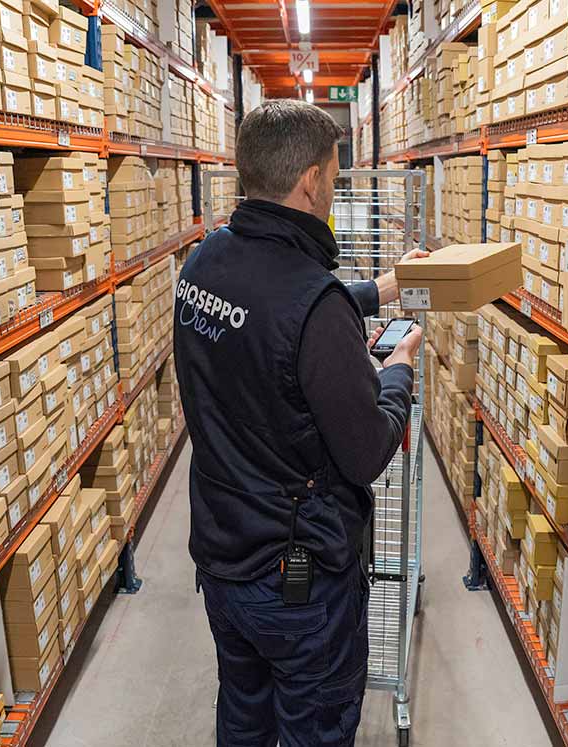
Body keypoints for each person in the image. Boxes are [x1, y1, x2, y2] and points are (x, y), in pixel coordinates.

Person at [173, 99, 424, 747]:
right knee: (315, 728)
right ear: (311, 181)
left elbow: (271, 318)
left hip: (223, 556)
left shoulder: (203, 263)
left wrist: (377, 290)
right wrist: (397, 371)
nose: (334, 190)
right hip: (296, 582)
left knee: (244, 716)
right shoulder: (314, 302)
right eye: (334, 177)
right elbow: (366, 449)